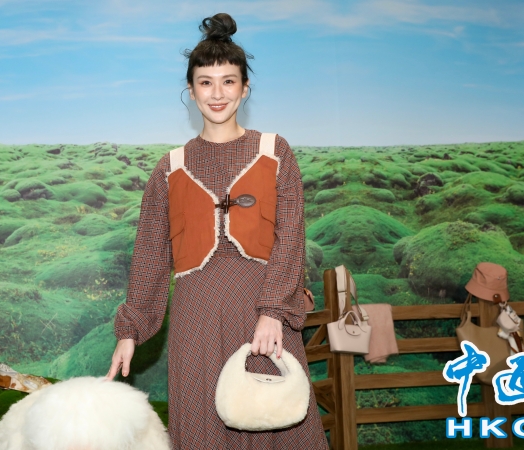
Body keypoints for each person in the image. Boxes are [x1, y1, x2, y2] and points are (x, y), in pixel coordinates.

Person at [106, 12, 328, 449]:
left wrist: (272, 311)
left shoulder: (275, 151)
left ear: (245, 88)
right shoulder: (169, 168)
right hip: (197, 318)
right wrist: (129, 331)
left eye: (228, 81)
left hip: (263, 310)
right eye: (205, 82)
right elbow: (150, 255)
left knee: (275, 420)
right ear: (191, 91)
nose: (217, 93)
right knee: (203, 426)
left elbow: (291, 237)